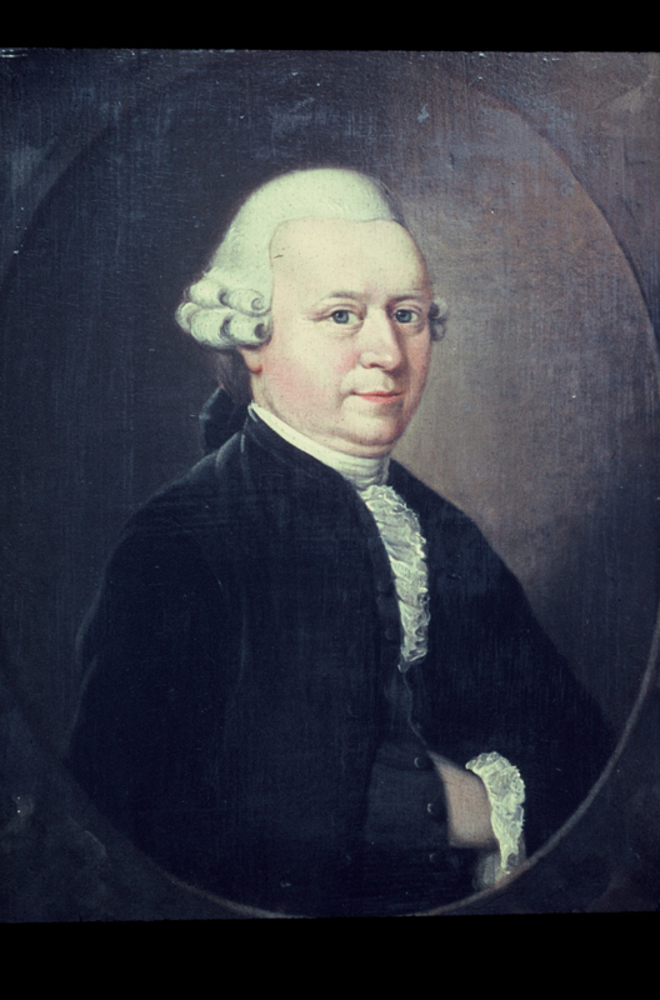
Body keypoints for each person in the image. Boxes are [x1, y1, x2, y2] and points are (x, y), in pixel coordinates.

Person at [68, 168, 614, 917]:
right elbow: (123, 824)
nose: (387, 351)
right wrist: (451, 804)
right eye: (341, 316)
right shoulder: (179, 542)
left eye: (407, 314)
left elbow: (582, 762)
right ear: (253, 337)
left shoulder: (444, 534)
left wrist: (489, 803)